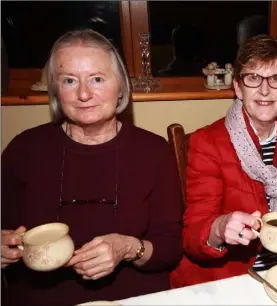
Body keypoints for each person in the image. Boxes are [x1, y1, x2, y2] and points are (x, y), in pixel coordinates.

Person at [1, 29, 183, 306]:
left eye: (97, 79)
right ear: (55, 90)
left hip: (131, 298)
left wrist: (128, 248)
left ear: (121, 85)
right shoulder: (24, 149)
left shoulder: (154, 151)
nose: (84, 93)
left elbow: (170, 248)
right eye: (69, 80)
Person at [170, 34, 277, 288]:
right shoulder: (207, 143)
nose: (264, 90)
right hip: (226, 279)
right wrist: (220, 228)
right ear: (237, 87)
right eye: (253, 78)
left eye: (276, 79)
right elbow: (192, 237)